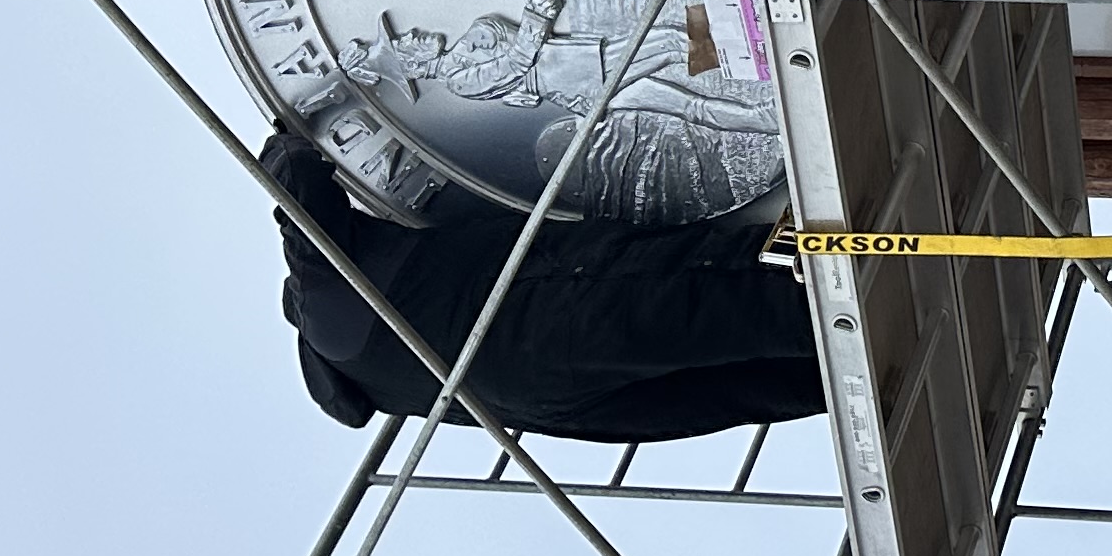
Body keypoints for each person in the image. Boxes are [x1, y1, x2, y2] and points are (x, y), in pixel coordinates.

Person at [261, 129, 824, 442]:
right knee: (740, 294)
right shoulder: (327, 307)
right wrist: (290, 139)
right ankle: (868, 266)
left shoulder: (380, 384)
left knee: (762, 382)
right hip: (533, 318)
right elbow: (292, 183)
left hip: (551, 407)